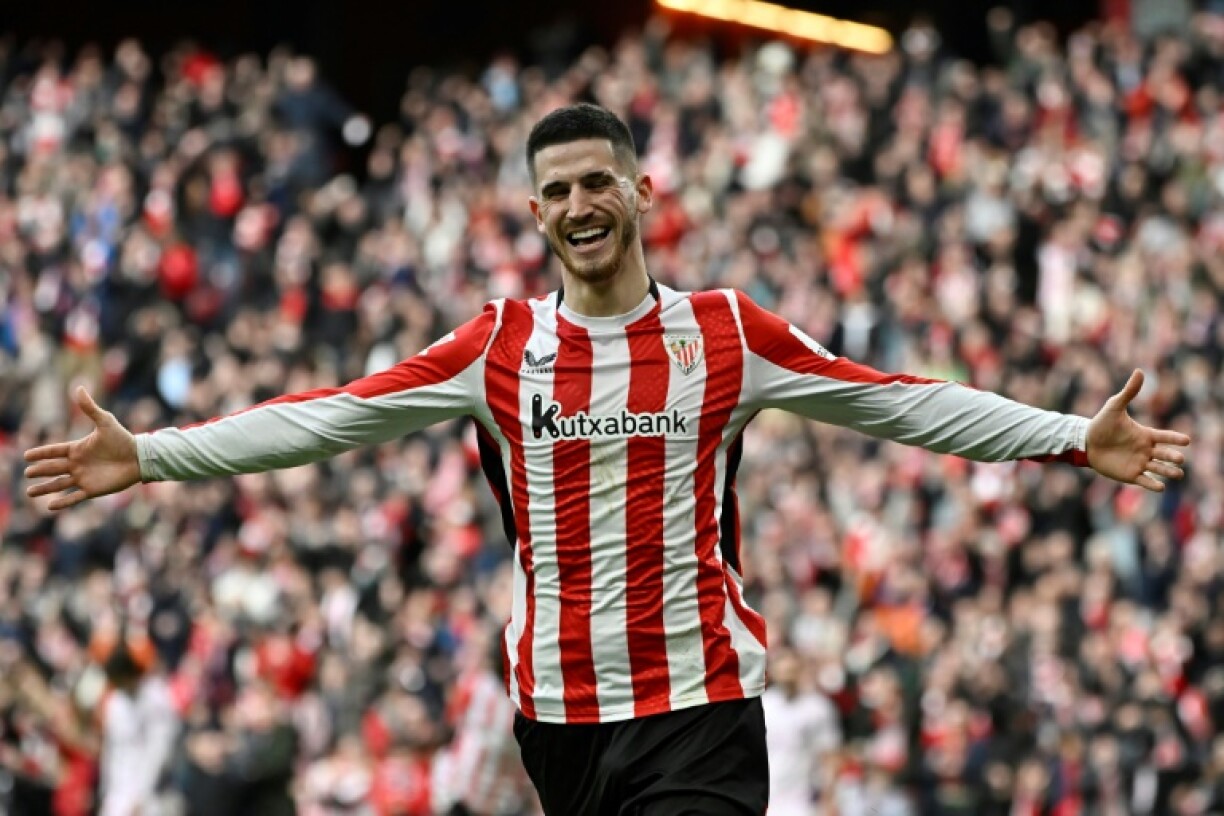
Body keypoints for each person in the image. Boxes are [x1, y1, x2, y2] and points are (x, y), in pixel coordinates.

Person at [24, 103, 1191, 816]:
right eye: (557, 191)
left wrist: (1069, 436)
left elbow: (898, 404)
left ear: (642, 191)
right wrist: (155, 457)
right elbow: (327, 416)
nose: (581, 205)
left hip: (702, 702)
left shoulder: (727, 334)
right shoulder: (497, 346)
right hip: (562, 718)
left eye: (599, 182)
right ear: (535, 215)